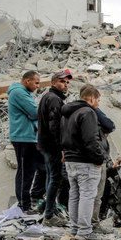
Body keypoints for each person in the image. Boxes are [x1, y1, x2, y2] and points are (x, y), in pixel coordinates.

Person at [60, 84, 105, 240]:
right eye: (98, 100)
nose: (98, 103)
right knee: (87, 194)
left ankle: (74, 228)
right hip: (85, 161)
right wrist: (99, 159)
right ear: (92, 99)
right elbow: (90, 140)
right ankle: (85, 231)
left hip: (70, 159)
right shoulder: (88, 113)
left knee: (74, 195)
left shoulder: (67, 113)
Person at [37, 69, 72, 226]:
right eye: (62, 81)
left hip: (46, 145)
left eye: (66, 82)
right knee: (55, 179)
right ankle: (49, 215)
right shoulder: (54, 100)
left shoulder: (48, 97)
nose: (65, 85)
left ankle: (48, 209)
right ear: (53, 83)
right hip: (52, 146)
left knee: (50, 178)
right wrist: (62, 147)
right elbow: (55, 125)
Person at [8, 70, 41, 214]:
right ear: (27, 81)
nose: (38, 86)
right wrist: (35, 112)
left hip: (30, 137)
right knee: (25, 172)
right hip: (23, 137)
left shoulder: (25, 93)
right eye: (36, 82)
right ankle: (24, 206)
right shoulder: (19, 93)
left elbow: (33, 112)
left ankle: (34, 197)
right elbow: (35, 112)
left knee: (42, 168)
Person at [92, 107, 116, 232]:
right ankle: (92, 224)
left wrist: (112, 168)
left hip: (83, 163)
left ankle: (82, 224)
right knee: (94, 195)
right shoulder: (91, 115)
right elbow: (110, 125)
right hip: (93, 164)